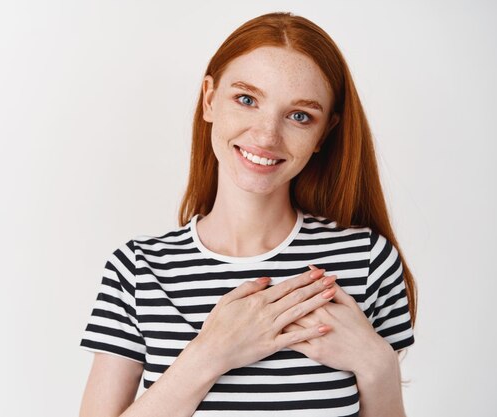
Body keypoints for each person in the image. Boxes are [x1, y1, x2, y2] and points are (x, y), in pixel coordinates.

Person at [79, 11, 417, 417]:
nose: (266, 135)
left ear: (323, 134)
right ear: (209, 100)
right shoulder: (137, 270)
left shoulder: (366, 261)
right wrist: (210, 354)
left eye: (299, 116)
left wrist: (375, 364)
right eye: (246, 100)